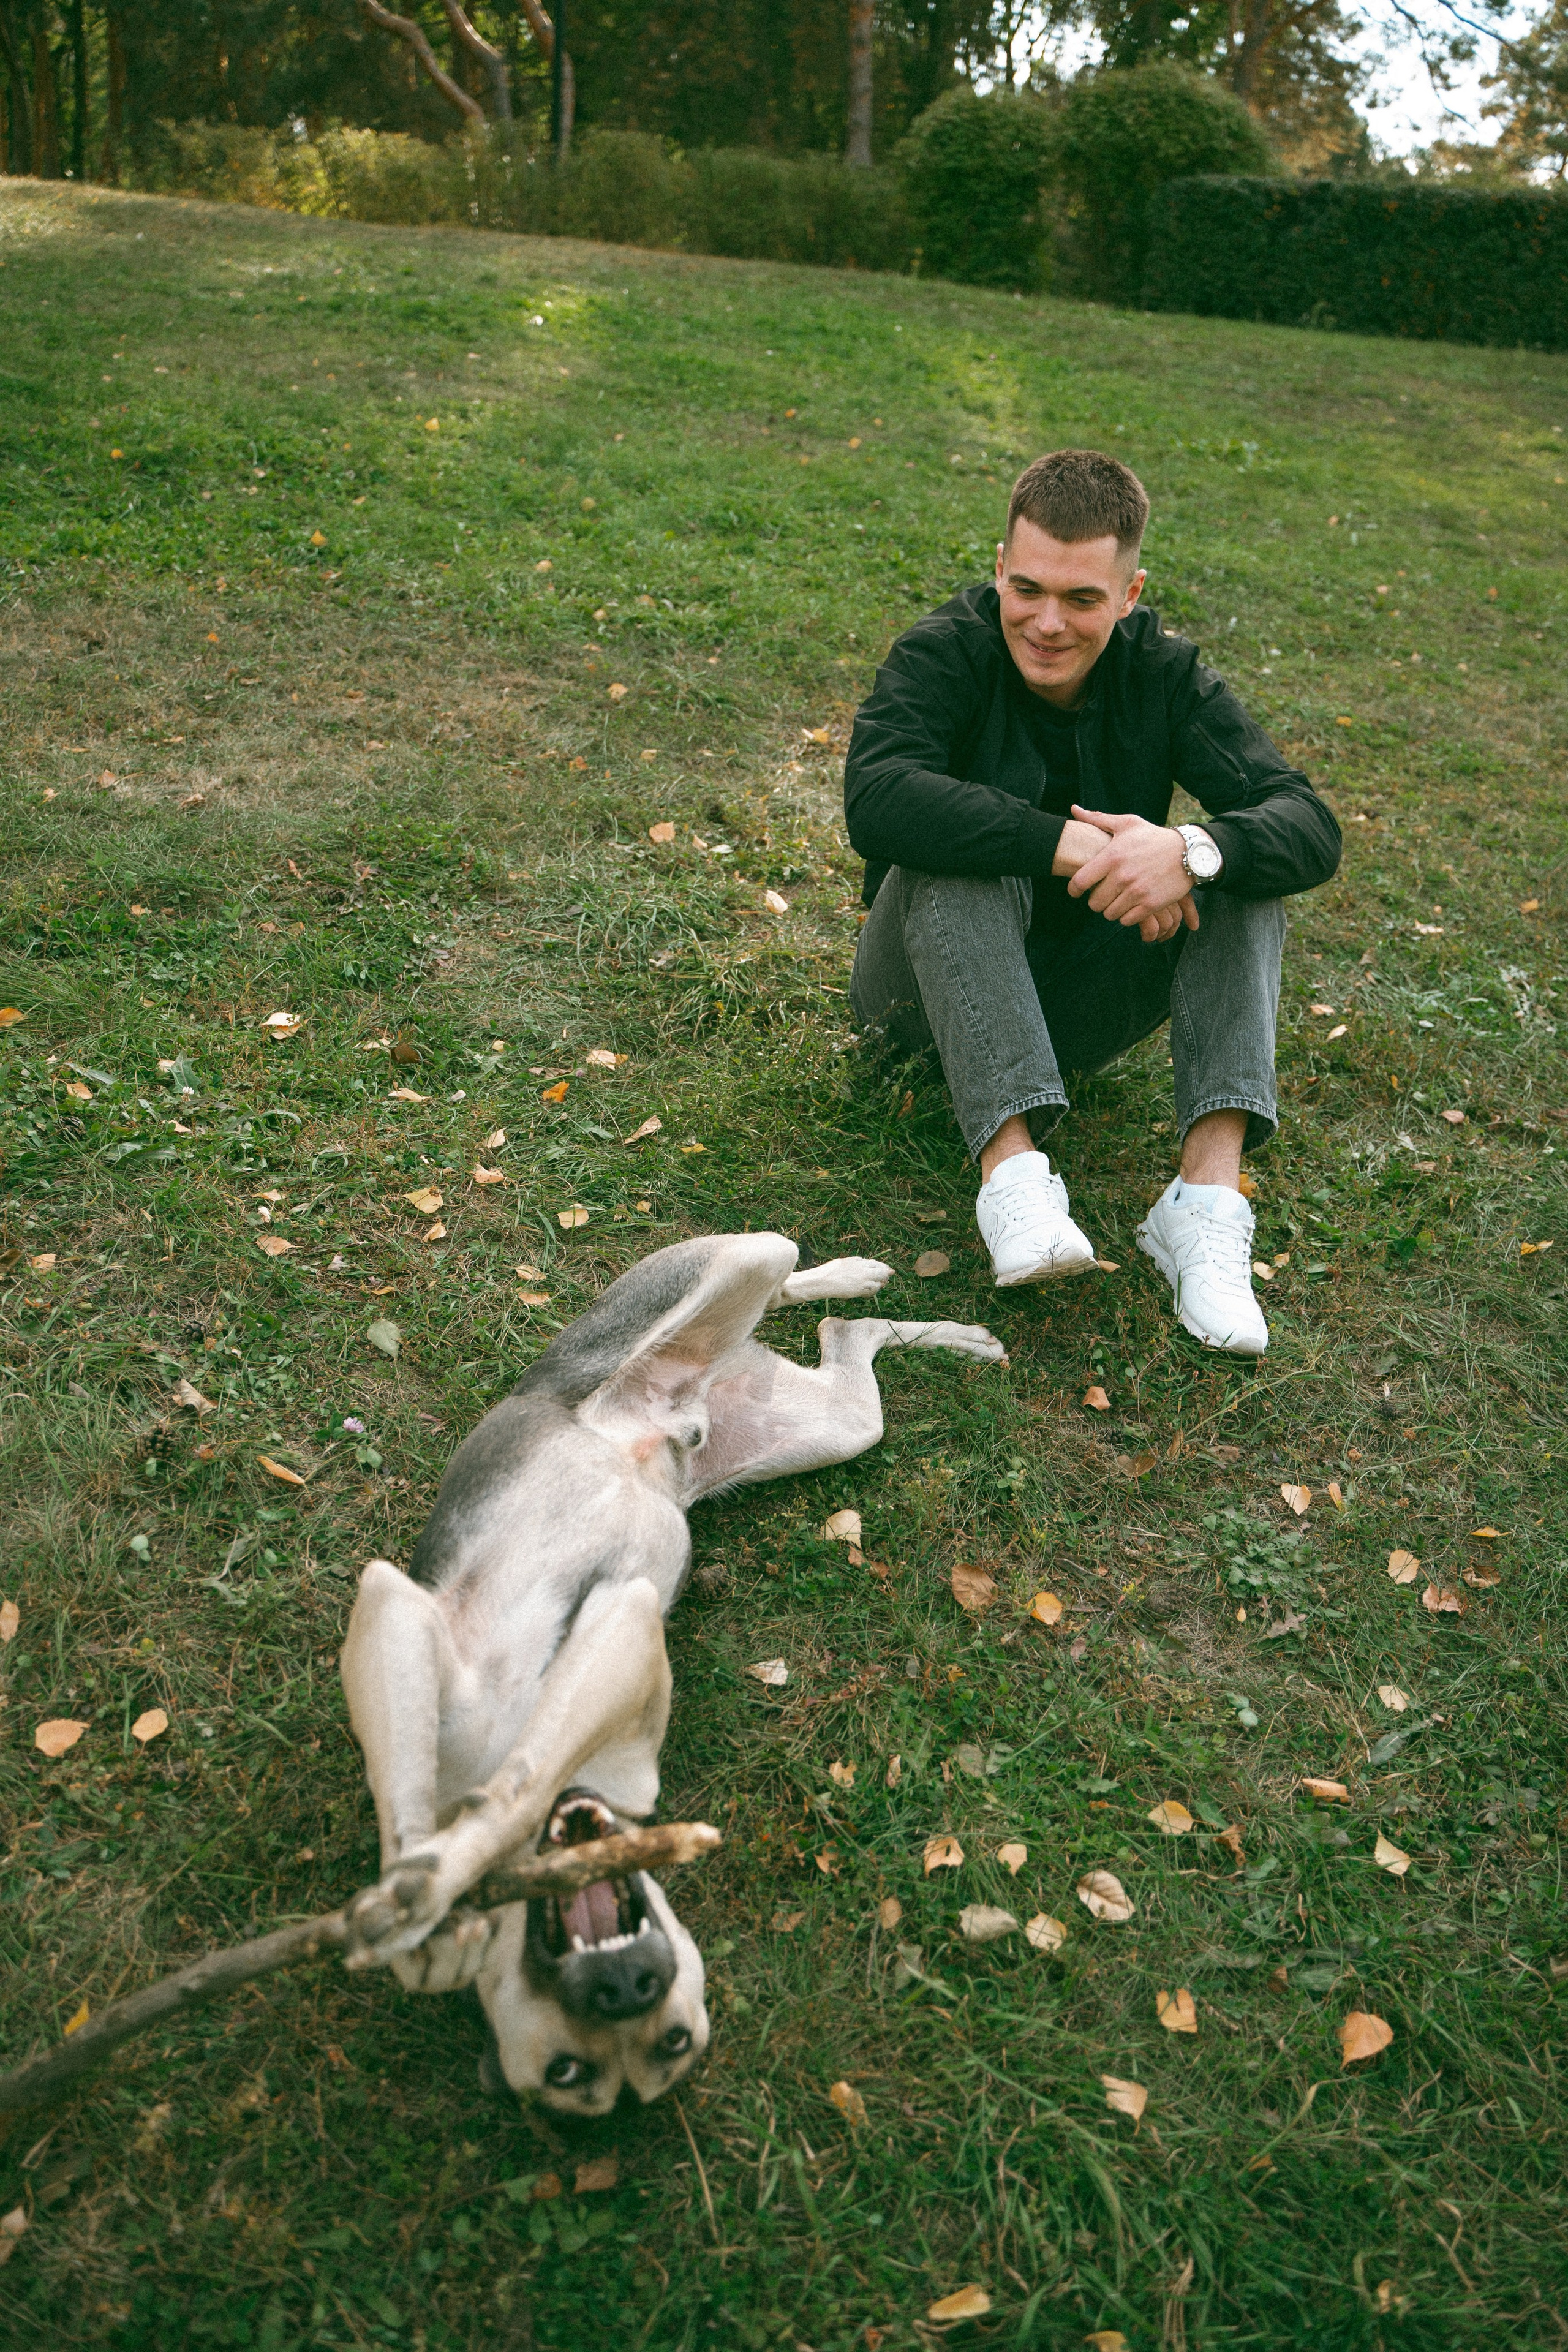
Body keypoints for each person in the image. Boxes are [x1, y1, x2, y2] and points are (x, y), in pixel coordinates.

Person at [844, 447, 1341, 1358]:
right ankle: (1014, 1179)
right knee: (955, 853)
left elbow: (1308, 822)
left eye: (1082, 600)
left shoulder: (1165, 673)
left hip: (1070, 1013)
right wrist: (1066, 841)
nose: (1045, 623)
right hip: (917, 1002)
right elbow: (875, 799)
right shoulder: (942, 651)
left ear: (1130, 592)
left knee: (1237, 870)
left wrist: (1191, 851)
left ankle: (1203, 1206)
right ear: (998, 567)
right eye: (1026, 589)